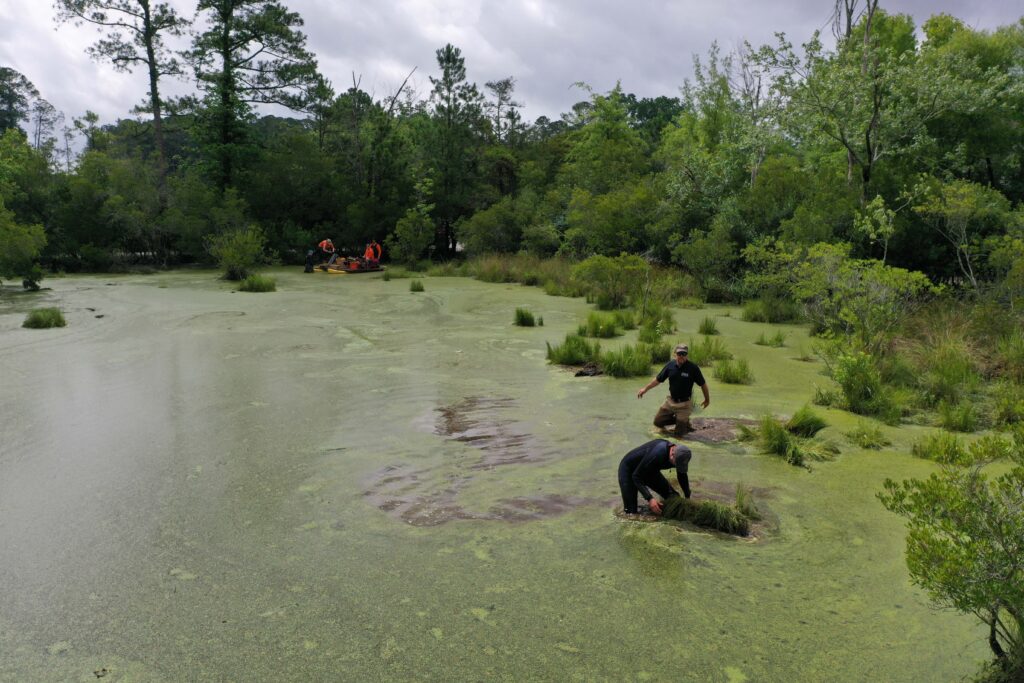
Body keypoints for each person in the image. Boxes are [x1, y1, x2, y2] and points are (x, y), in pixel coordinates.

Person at [636, 343, 710, 436]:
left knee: (679, 434)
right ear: (675, 354)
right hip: (671, 401)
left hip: (685, 404)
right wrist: (645, 389)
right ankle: (683, 421)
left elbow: (703, 384)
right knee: (657, 422)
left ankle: (683, 420)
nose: (681, 356)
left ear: (687, 355)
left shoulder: (693, 368)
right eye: (679, 354)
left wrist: (707, 399)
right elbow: (658, 380)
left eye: (684, 354)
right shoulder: (670, 365)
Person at [618, 439, 692, 515]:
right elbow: (636, 476)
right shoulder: (658, 452)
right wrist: (650, 499)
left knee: (673, 497)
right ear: (672, 453)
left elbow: (682, 475)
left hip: (650, 470)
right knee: (631, 512)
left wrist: (687, 496)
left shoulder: (679, 455)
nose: (677, 467)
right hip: (629, 470)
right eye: (676, 464)